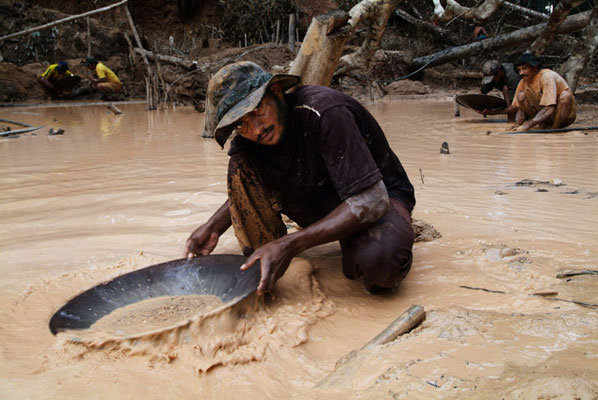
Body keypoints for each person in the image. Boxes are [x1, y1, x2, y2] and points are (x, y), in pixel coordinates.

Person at [184, 61, 416, 295]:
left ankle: (375, 237)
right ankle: (264, 262)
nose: (255, 129)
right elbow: (253, 187)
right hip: (314, 200)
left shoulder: (325, 111)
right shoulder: (250, 143)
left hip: (378, 196)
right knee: (240, 163)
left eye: (257, 111)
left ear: (276, 93)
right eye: (241, 123)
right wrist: (213, 227)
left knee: (380, 264)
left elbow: (373, 200)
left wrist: (291, 243)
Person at [479, 52, 576, 131]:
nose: (521, 73)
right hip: (546, 115)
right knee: (521, 95)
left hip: (564, 116)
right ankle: (544, 124)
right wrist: (517, 125)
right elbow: (517, 106)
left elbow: (550, 107)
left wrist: (528, 125)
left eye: (524, 69)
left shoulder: (547, 76)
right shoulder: (523, 81)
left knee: (565, 96)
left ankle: (555, 128)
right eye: (519, 70)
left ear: (534, 67)